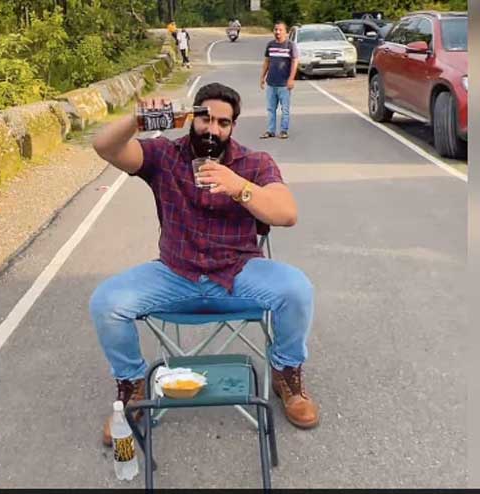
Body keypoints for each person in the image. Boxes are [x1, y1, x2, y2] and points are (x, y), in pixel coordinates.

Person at [91, 83, 320, 446]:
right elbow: (105, 147)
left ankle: (286, 373)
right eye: (205, 119)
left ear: (233, 127)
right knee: (107, 302)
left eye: (223, 123)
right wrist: (137, 119)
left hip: (237, 272)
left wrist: (239, 187)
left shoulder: (254, 163)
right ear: (191, 118)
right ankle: (132, 387)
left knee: (297, 290)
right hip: (175, 273)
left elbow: (287, 214)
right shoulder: (164, 156)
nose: (213, 129)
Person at [260, 21, 299, 140]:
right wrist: (262, 77)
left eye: (280, 30)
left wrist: (291, 79)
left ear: (285, 32)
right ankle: (270, 130)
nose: (277, 32)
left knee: (285, 109)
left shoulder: (290, 45)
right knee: (271, 109)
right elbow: (267, 61)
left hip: (284, 84)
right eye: (275, 29)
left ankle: (283, 130)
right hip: (271, 83)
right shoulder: (270, 45)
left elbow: (295, 62)